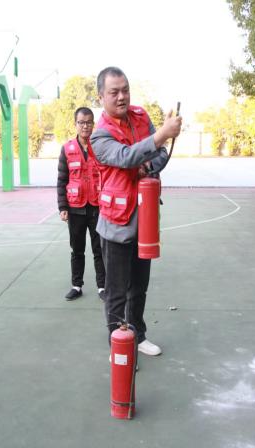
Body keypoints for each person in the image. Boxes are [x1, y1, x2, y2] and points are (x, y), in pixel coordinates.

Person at [89, 67, 182, 356]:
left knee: (139, 287)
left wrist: (149, 163)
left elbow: (161, 153)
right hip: (117, 224)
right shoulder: (100, 135)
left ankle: (138, 336)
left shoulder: (141, 116)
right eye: (114, 92)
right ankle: (119, 348)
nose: (122, 97)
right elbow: (126, 157)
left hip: (145, 219)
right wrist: (162, 135)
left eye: (125, 90)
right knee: (117, 293)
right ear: (101, 96)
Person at [57, 107, 106, 301]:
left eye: (88, 122)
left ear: (93, 124)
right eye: (81, 122)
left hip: (97, 207)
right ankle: (76, 285)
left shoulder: (100, 147)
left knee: (99, 249)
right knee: (77, 250)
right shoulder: (67, 149)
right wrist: (63, 207)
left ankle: (102, 287)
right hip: (75, 208)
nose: (85, 126)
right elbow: (62, 180)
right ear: (75, 124)